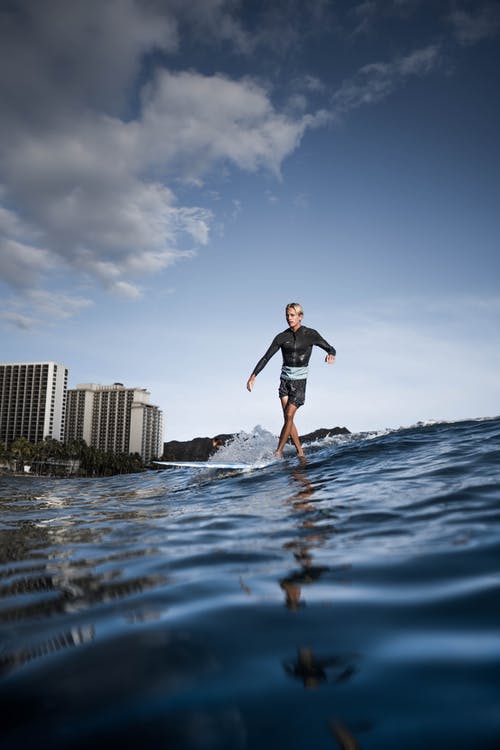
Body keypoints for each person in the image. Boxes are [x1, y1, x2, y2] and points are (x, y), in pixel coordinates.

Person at [246, 303, 336, 458]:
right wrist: (253, 375)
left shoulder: (310, 334)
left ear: (300, 316)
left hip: (299, 382)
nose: (289, 318)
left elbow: (330, 348)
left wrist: (331, 354)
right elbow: (266, 357)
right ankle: (300, 452)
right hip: (284, 381)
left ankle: (278, 452)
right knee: (288, 418)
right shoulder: (282, 337)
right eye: (287, 315)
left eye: (292, 315)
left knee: (288, 416)